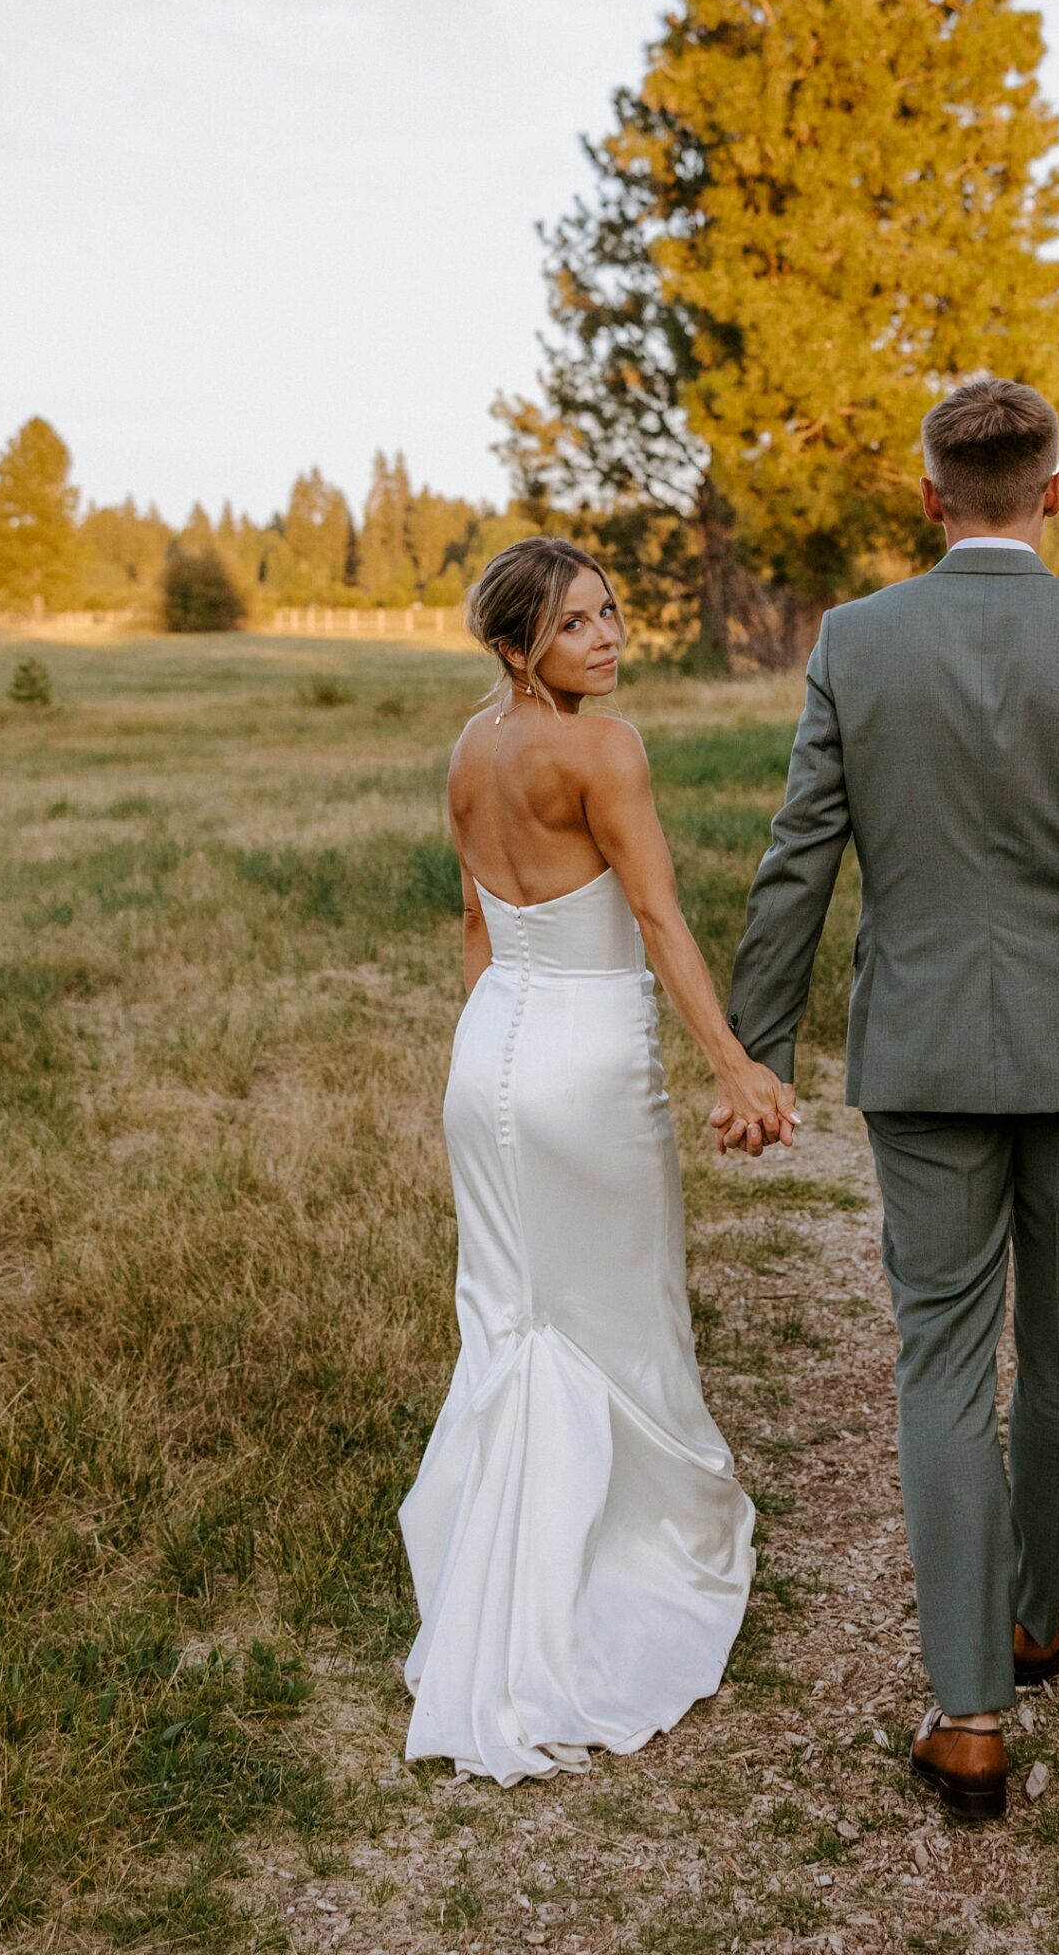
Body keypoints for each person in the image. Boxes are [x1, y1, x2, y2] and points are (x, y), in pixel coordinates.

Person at [724, 378, 1059, 1822]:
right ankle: (1029, 1610)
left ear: (929, 494)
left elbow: (796, 855)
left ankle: (966, 1716)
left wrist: (754, 1044)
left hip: (925, 1058)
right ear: (1054, 490)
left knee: (941, 1361)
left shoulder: (855, 643)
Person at [398, 536, 788, 1786]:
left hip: (490, 1052)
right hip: (583, 1067)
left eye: (610, 613)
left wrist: (487, 1050)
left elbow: (475, 921)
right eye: (576, 625)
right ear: (520, 646)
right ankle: (609, 1586)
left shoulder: (470, 749)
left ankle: (489, 1583)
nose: (608, 636)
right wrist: (732, 1063)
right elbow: (659, 920)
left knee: (514, 1322)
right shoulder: (605, 750)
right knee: (617, 1319)